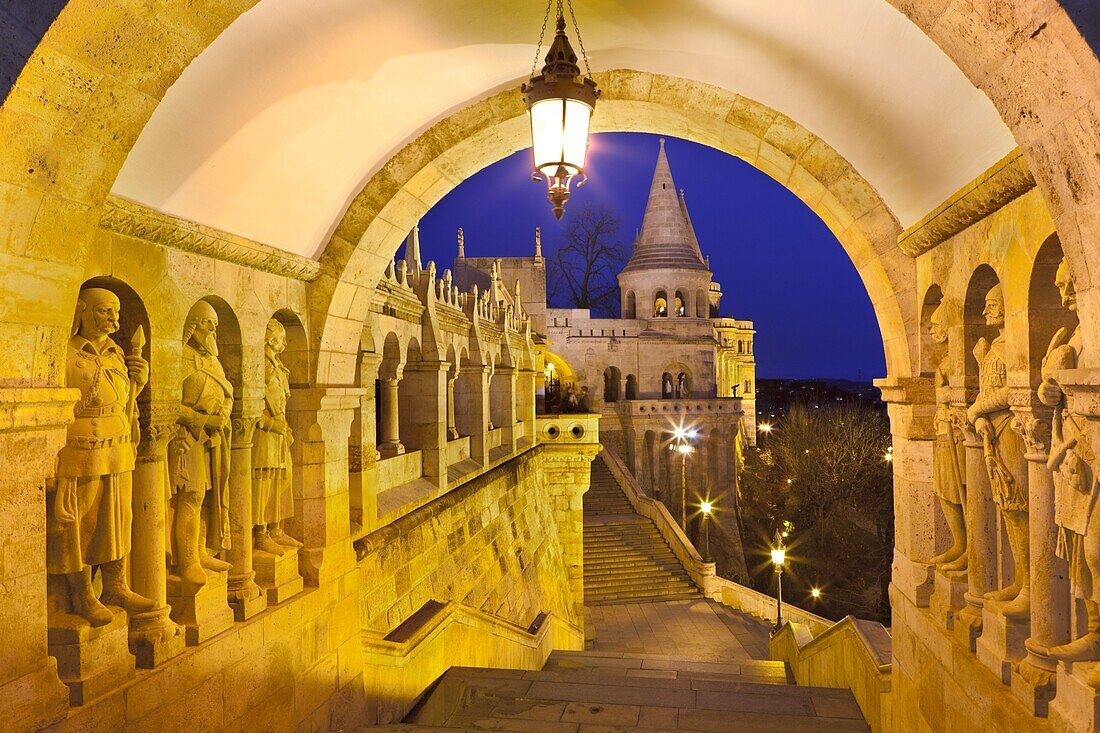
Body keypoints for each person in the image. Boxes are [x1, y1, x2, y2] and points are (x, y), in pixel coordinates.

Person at [48, 288, 156, 625]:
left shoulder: (116, 353)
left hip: (117, 445)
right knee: (78, 523)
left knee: (117, 517)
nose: (114, 320)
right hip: (81, 447)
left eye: (116, 313)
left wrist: (140, 380)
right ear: (81, 310)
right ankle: (82, 594)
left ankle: (116, 585)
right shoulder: (64, 352)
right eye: (105, 312)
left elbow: (124, 402)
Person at [169, 300, 233, 591]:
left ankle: (201, 551)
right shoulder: (180, 356)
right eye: (208, 323)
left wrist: (222, 416)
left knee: (208, 495)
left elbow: (227, 393)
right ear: (193, 324)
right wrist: (200, 419)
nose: (213, 329)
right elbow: (166, 404)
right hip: (186, 438)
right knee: (191, 496)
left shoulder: (212, 360)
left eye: (215, 325)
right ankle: (187, 560)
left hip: (211, 438)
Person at [252, 319, 302, 555]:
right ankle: (260, 533)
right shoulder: (261, 365)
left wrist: (285, 427)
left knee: (282, 479)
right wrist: (272, 423)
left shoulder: (277, 366)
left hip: (279, 433)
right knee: (263, 482)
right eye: (281, 339)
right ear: (271, 340)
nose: (284, 344)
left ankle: (276, 528)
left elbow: (281, 400)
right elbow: (251, 405)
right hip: (264, 435)